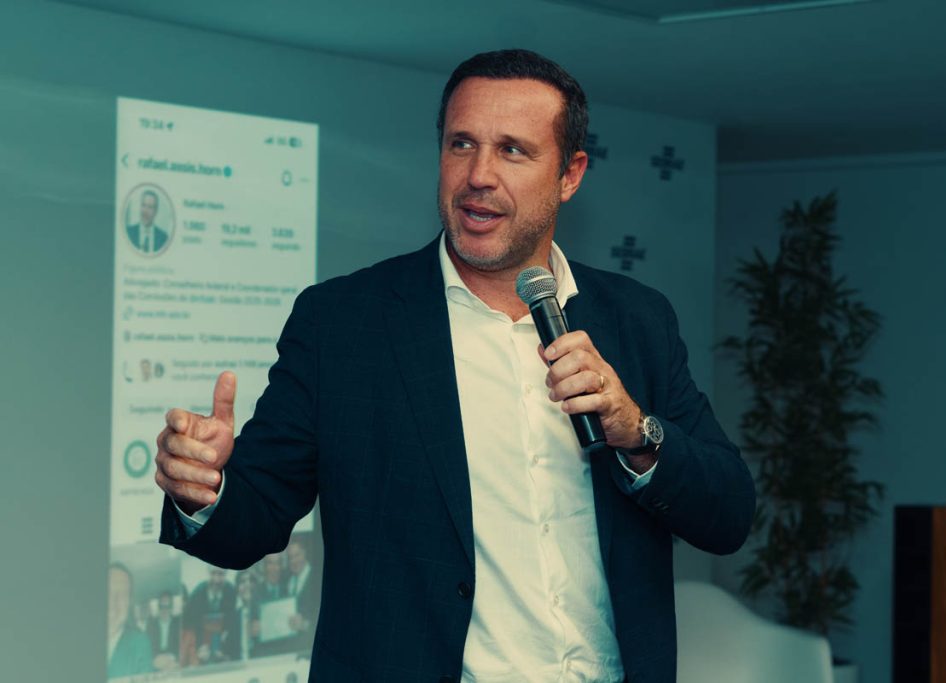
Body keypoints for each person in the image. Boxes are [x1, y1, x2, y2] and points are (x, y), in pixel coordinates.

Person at [156, 49, 755, 682]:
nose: (478, 175)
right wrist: (205, 489)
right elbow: (254, 520)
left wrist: (637, 434)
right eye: (461, 144)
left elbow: (728, 515)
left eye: (513, 151)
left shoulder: (637, 319)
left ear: (570, 175)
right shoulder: (344, 323)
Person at [108, 563, 154, 678]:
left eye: (122, 595)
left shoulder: (140, 643)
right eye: (108, 591)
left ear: (129, 603)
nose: (113, 603)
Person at [146, 590, 181, 671]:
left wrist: (171, 658)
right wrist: (157, 659)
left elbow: (180, 646)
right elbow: (148, 647)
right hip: (156, 661)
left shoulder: (177, 624)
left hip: (173, 660)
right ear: (158, 607)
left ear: (172, 607)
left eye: (167, 606)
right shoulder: (151, 625)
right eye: (162, 606)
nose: (164, 610)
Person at [126, 189, 169, 254]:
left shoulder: (163, 238)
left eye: (150, 207)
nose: (145, 211)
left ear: (155, 211)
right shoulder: (129, 233)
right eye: (143, 205)